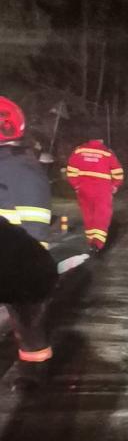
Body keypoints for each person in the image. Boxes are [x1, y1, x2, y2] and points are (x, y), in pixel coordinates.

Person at [0, 97, 56, 386]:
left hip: (17, 264)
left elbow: (35, 228)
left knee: (29, 327)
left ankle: (34, 377)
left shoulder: (22, 170)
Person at [66, 137, 124, 254]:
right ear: (101, 140)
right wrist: (115, 186)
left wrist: (76, 185)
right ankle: (97, 244)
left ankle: (91, 241)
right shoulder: (107, 153)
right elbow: (118, 172)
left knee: (88, 216)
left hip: (84, 190)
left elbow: (71, 171)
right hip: (102, 191)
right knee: (101, 216)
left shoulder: (79, 151)